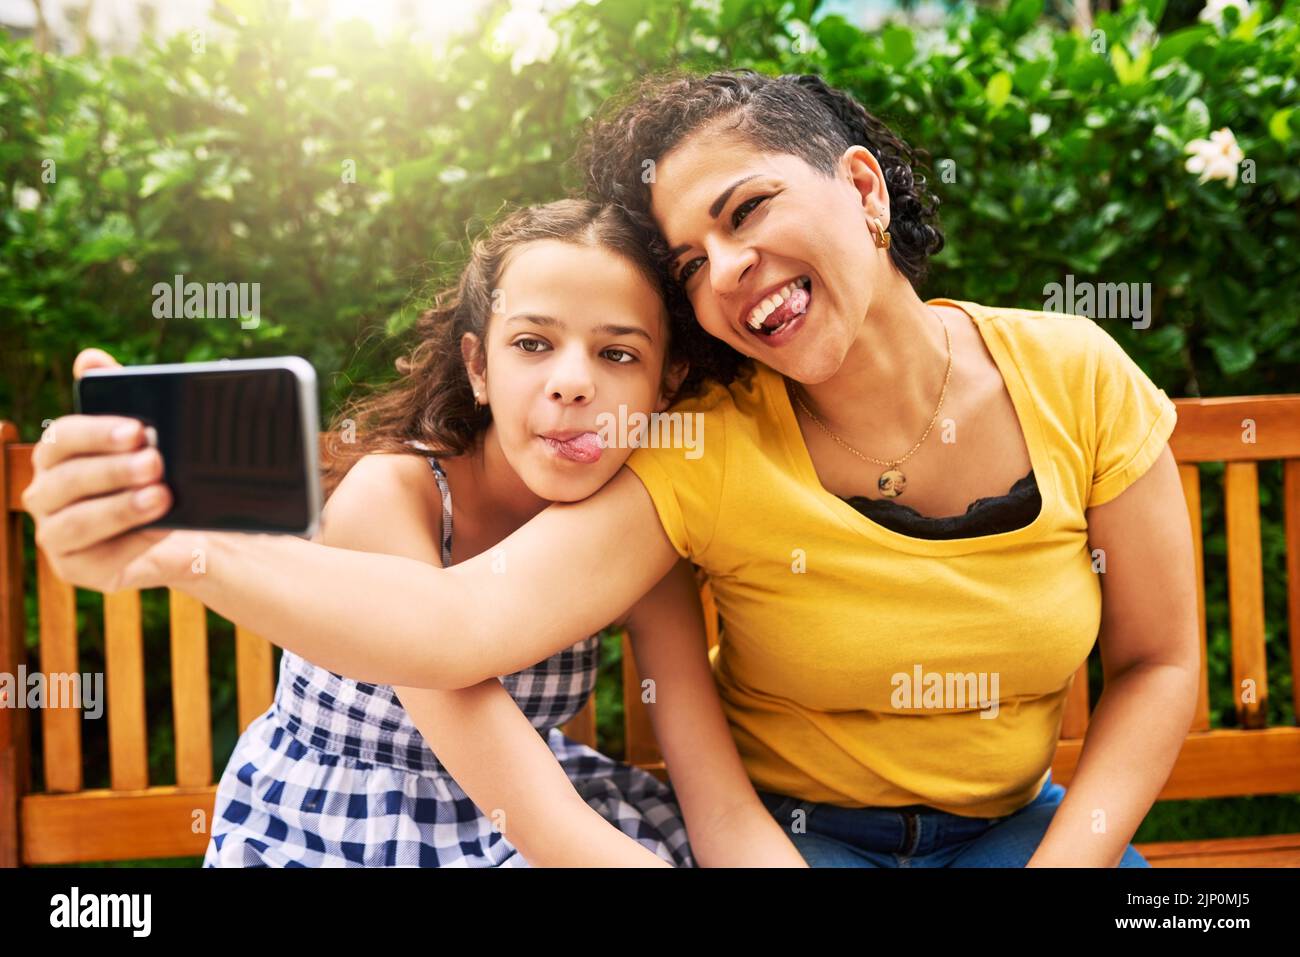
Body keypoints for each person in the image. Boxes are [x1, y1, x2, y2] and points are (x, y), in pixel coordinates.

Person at [24, 71, 1199, 867]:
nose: (727, 269)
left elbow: (1157, 662)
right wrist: (187, 548)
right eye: (692, 261)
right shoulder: (701, 448)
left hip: (1027, 833)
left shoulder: (1073, 375)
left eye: (747, 211)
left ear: (859, 187)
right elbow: (454, 629)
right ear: (480, 362)